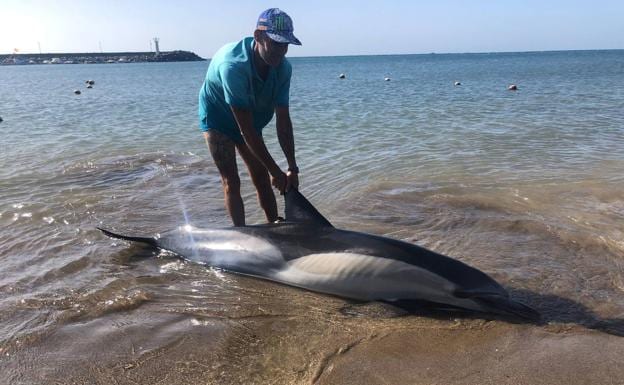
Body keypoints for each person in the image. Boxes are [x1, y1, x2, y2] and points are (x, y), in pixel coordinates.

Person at [198, 8, 302, 226]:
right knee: (232, 181)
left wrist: (292, 167)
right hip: (219, 120)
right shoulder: (233, 67)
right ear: (258, 36)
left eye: (286, 45)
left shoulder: (283, 69)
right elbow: (245, 131)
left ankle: (274, 225)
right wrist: (276, 170)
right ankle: (240, 233)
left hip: (250, 122)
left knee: (261, 176)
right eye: (276, 43)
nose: (281, 51)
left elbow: (283, 121)